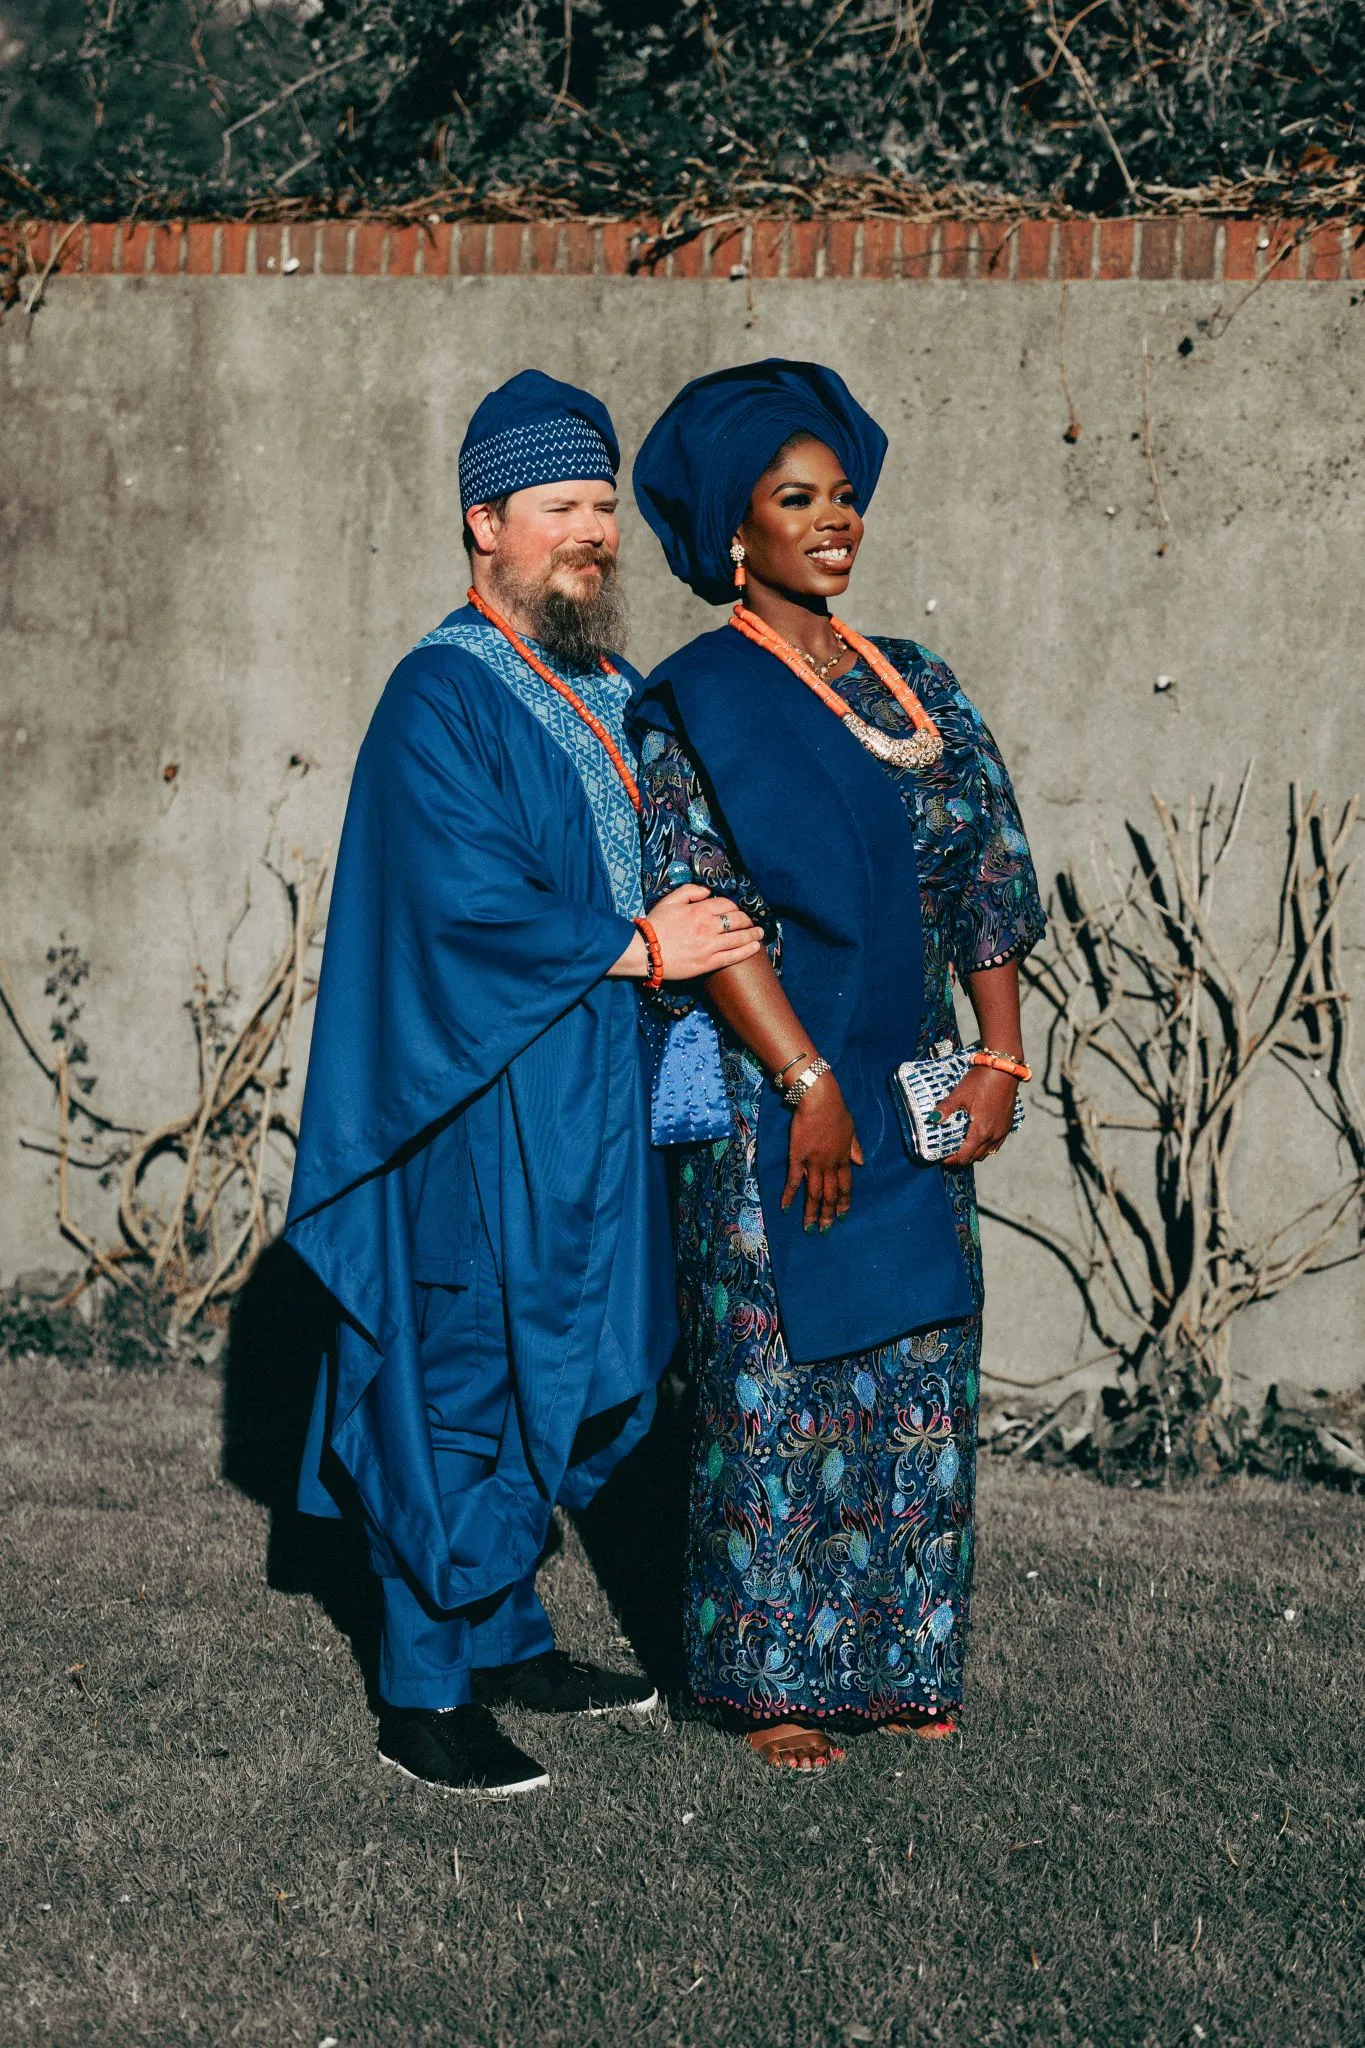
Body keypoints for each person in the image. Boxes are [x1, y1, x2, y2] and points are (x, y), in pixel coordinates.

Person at [285, 369, 762, 1798]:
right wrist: (636, 940)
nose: (592, 534)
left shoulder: (613, 687)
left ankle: (504, 1628)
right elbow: (451, 902)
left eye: (604, 507)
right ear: (483, 521)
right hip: (481, 1099)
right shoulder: (442, 693)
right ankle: (426, 1692)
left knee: (589, 1357)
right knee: (465, 1371)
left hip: (604, 1100)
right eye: (560, 507)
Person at [630, 359, 1046, 1772]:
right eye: (796, 498)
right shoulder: (691, 705)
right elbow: (703, 906)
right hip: (771, 1085)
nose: (834, 521)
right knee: (780, 1373)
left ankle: (900, 1663)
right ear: (734, 533)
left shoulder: (917, 686)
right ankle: (774, 1684)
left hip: (915, 1070)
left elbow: (988, 867)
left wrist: (999, 1053)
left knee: (921, 1351)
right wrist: (807, 1084)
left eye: (845, 495)